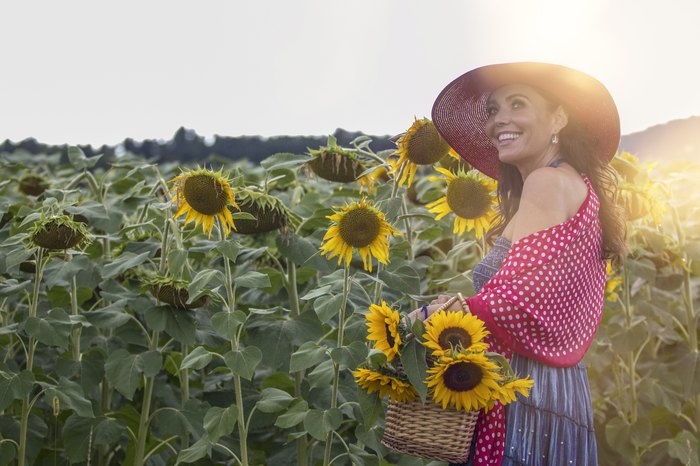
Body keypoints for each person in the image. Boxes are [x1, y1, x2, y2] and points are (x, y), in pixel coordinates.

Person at [407, 63, 627, 466]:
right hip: (558, 392)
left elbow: (516, 301)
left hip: (524, 392)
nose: (499, 120)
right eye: (493, 109)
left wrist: (427, 317)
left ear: (559, 117)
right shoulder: (577, 186)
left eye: (518, 104)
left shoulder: (547, 182)